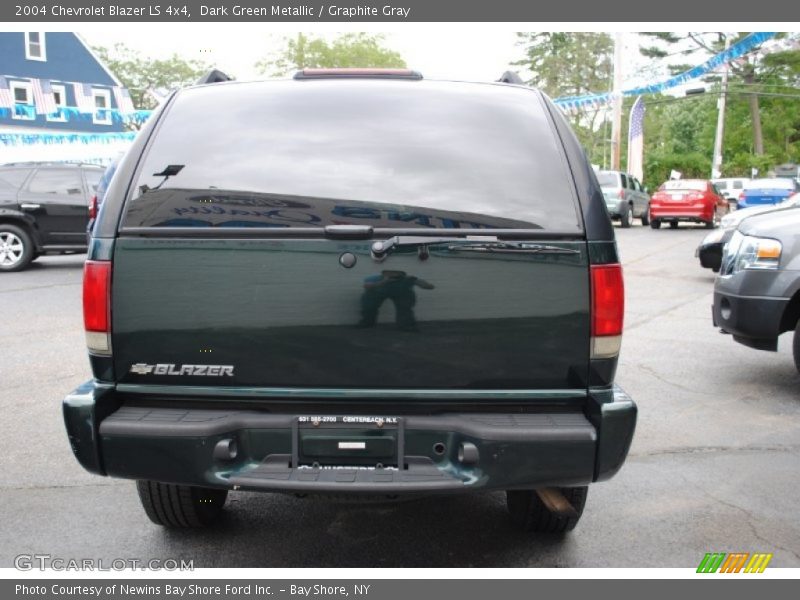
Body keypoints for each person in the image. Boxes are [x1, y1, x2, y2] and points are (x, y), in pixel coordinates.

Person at [358, 270, 435, 330]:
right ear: (383, 275)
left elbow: (429, 287)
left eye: (396, 276)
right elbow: (366, 287)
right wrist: (384, 281)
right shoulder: (376, 278)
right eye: (391, 276)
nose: (394, 278)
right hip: (378, 292)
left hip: (401, 293)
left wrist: (417, 280)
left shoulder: (407, 279)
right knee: (369, 303)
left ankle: (406, 326)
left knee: (405, 307)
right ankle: (367, 322)